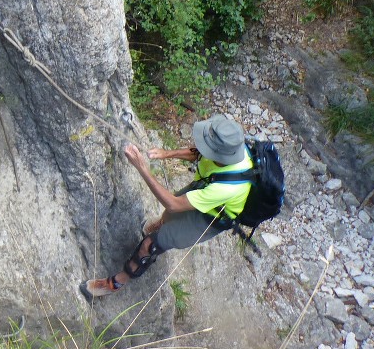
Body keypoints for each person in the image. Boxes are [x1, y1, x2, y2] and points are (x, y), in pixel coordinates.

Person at [79, 115, 252, 300]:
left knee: (150, 245)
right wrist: (165, 153)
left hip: (211, 218)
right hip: (205, 186)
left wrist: (141, 168)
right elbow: (198, 153)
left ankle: (118, 282)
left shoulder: (227, 188)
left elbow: (174, 204)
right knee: (168, 215)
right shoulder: (231, 150)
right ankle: (162, 225)